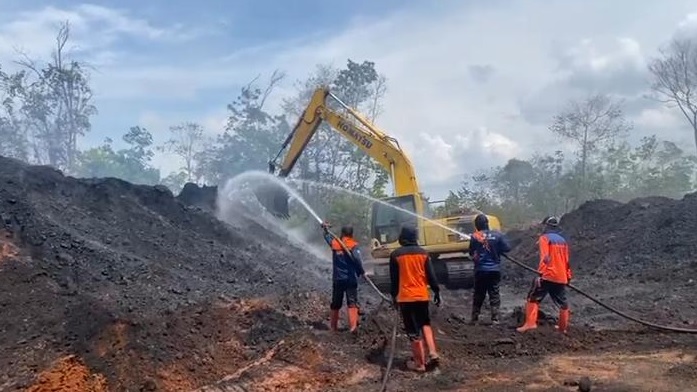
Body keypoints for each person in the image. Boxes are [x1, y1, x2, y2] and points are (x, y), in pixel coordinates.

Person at [389, 224, 442, 372]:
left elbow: (394, 280)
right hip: (422, 295)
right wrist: (436, 291)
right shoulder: (423, 253)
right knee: (425, 323)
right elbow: (431, 276)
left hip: (405, 298)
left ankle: (420, 364)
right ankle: (432, 351)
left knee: (413, 331)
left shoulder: (396, 255)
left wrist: (394, 297)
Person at [517, 216, 572, 333]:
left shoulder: (544, 238)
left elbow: (545, 258)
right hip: (561, 276)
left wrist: (540, 274)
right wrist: (568, 276)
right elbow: (567, 261)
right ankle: (563, 328)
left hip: (548, 275)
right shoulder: (563, 241)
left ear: (546, 226)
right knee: (563, 302)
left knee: (533, 297)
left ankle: (530, 324)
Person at [468, 214, 512, 325]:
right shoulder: (498, 235)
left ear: (477, 225)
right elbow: (507, 248)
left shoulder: (475, 236)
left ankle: (474, 318)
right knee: (494, 293)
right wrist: (498, 248)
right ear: (487, 223)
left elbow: (471, 252)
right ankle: (495, 319)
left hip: (480, 270)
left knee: (479, 293)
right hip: (494, 270)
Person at [321, 222, 365, 333]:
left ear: (342, 233)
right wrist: (361, 271)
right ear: (351, 234)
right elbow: (357, 260)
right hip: (350, 278)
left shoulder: (335, 243)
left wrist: (325, 231)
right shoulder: (354, 245)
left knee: (335, 303)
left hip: (338, 279)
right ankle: (353, 327)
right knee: (352, 302)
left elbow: (328, 238)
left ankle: (333, 328)